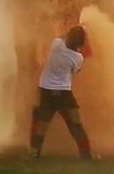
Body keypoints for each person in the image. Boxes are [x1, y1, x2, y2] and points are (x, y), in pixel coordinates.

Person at [29, 26, 95, 160]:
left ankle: (34, 153)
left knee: (41, 124)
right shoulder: (77, 58)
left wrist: (76, 29)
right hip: (63, 94)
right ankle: (86, 155)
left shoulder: (56, 44)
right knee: (75, 125)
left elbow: (62, 36)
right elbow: (75, 72)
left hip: (45, 91)